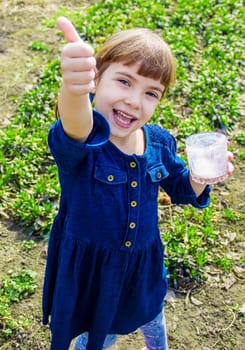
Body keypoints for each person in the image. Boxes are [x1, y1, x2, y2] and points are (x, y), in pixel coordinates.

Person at [42, 17, 234, 350]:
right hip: (94, 277)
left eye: (151, 92)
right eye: (124, 81)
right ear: (96, 80)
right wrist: (73, 89)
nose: (134, 100)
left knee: (152, 317)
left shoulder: (158, 142)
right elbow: (72, 124)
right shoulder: (85, 147)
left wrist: (200, 179)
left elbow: (183, 188)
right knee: (97, 336)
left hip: (143, 269)